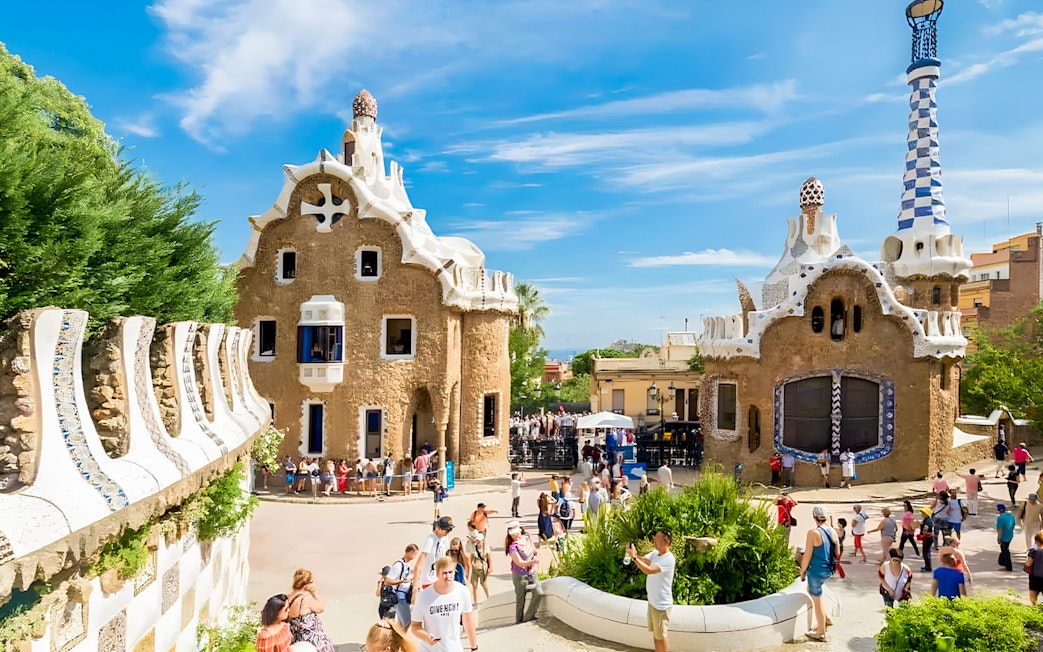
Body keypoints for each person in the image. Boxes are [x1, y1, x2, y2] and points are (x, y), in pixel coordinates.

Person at [410, 556, 478, 652]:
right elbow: (415, 626)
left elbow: (468, 621)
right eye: (444, 573)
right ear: (437, 574)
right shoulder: (424, 596)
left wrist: (474, 647)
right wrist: (426, 637)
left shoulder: (462, 592)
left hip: (454, 648)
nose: (448, 577)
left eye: (450, 572)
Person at [626, 530, 675, 652]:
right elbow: (645, 561)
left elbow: (649, 570)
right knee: (656, 635)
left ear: (666, 542)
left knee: (661, 636)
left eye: (657, 539)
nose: (654, 541)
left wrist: (634, 558)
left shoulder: (668, 559)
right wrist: (635, 555)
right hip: (653, 602)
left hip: (661, 605)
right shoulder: (655, 554)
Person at [799, 505, 838, 642]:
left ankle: (821, 632)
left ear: (814, 517)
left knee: (816, 598)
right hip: (829, 569)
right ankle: (825, 618)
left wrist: (802, 571)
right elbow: (837, 552)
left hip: (816, 571)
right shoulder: (832, 531)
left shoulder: (813, 533)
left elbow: (807, 555)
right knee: (813, 591)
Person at [286, 569, 334, 652]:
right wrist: (314, 592)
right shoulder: (305, 599)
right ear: (307, 584)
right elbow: (321, 608)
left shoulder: (289, 598)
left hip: (297, 640)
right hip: (312, 641)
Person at [506, 519, 543, 623]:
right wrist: (533, 561)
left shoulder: (527, 538)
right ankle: (519, 621)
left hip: (532, 573)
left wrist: (535, 562)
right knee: (520, 600)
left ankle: (529, 616)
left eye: (516, 533)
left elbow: (535, 552)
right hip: (520, 576)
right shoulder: (513, 547)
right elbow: (520, 563)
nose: (515, 536)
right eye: (512, 535)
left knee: (539, 593)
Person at [412, 516, 453, 599]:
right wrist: (415, 587)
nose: (448, 532)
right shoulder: (431, 539)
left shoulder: (445, 538)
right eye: (447, 529)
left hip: (441, 578)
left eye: (450, 529)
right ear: (438, 528)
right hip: (429, 579)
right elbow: (418, 565)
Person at [384, 544, 418, 626]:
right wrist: (401, 581)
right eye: (415, 554)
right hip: (399, 594)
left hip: (405, 595)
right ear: (410, 552)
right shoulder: (399, 565)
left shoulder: (407, 565)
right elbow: (387, 581)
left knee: (404, 621)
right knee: (405, 621)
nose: (415, 556)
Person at [466, 529, 491, 605]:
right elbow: (469, 556)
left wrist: (490, 567)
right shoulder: (469, 544)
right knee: (474, 585)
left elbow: (489, 556)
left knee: (483, 584)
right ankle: (475, 601)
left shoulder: (484, 545)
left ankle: (488, 598)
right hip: (474, 566)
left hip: (482, 566)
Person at [1024, 530, 1043, 605]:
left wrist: (1025, 565)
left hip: (1035, 577)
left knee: (1033, 594)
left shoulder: (1033, 552)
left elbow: (1029, 564)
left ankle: (1034, 609)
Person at [996, 503, 1016, 572]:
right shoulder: (1010, 516)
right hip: (1010, 535)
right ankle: (1002, 562)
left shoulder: (1000, 518)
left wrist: (999, 538)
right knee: (1005, 549)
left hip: (1004, 537)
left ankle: (1008, 567)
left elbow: (1000, 529)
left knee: (1005, 551)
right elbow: (1013, 525)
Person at [918, 507, 935, 572]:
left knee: (926, 553)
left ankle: (927, 567)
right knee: (927, 552)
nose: (922, 514)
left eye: (923, 513)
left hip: (927, 537)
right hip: (929, 537)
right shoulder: (927, 520)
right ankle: (927, 566)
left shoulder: (927, 521)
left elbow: (925, 528)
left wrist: (923, 534)